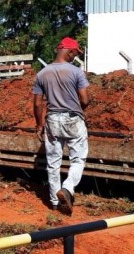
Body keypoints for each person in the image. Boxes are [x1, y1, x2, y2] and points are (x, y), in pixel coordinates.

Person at [32, 37, 90, 215]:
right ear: (69, 52)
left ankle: (55, 202)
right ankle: (68, 187)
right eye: (75, 54)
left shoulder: (42, 74)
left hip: (52, 120)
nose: (75, 57)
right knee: (78, 158)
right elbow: (85, 100)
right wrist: (80, 107)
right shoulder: (76, 72)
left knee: (53, 162)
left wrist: (39, 125)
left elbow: (37, 104)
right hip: (73, 119)